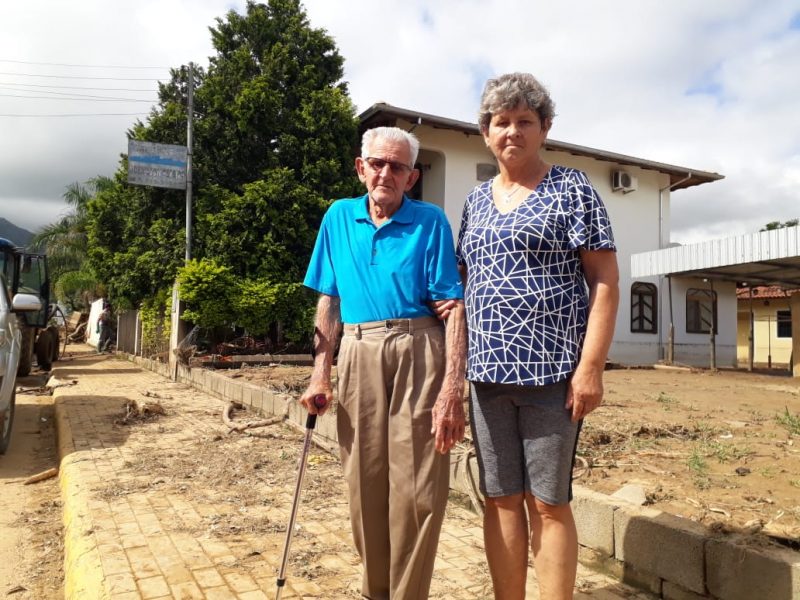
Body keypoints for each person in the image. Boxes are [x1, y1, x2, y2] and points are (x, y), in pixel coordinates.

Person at [436, 72, 619, 599]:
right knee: (500, 497)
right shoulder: (474, 202)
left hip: (553, 375)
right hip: (487, 377)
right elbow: (464, 287)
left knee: (549, 502)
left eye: (524, 121)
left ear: (545, 128)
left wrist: (591, 368)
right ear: (486, 133)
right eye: (500, 122)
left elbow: (604, 281)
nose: (511, 131)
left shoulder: (572, 189)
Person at [299, 126, 467, 600]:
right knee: (364, 485)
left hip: (418, 351)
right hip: (357, 351)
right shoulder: (337, 217)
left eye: (397, 167)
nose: (386, 173)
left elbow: (452, 307)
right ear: (361, 167)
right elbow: (328, 300)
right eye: (378, 163)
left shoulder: (430, 221)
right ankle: (376, 592)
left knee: (416, 492)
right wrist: (319, 374)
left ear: (412, 177)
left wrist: (453, 389)